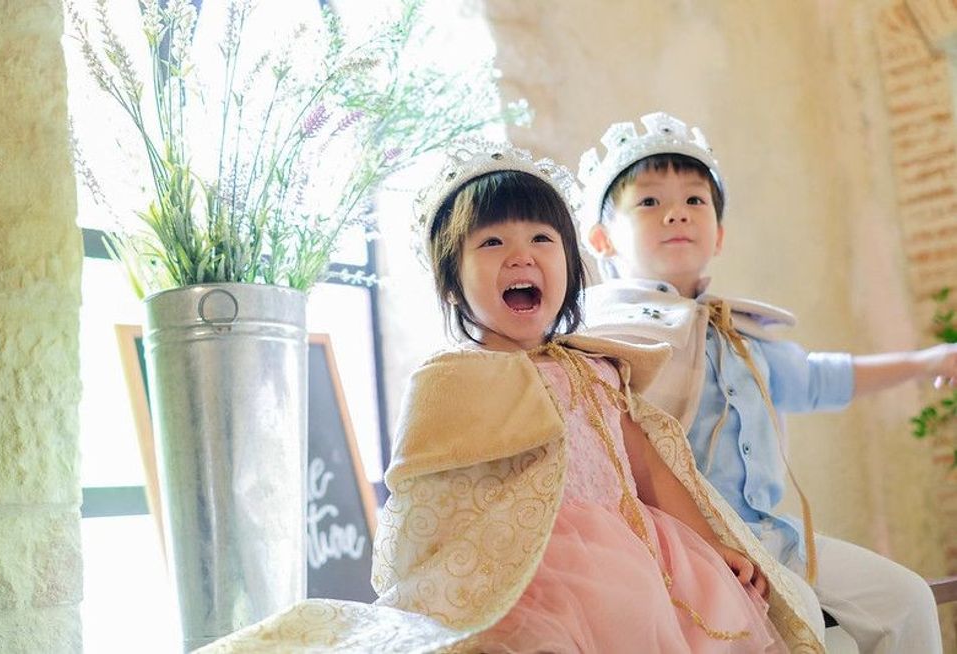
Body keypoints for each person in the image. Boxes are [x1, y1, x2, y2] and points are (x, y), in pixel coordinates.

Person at [199, 141, 821, 653]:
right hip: (530, 573)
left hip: (646, 555)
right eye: (491, 244)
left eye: (542, 241)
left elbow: (651, 468)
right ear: (452, 286)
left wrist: (713, 547)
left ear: (572, 269)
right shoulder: (455, 379)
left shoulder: (595, 367)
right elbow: (430, 500)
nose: (520, 255)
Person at [578, 111, 952, 654]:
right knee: (815, 635)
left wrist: (928, 361)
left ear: (720, 235)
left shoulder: (738, 333)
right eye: (649, 202)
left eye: (695, 201)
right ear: (601, 239)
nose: (676, 215)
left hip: (780, 541)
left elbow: (819, 379)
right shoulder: (606, 340)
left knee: (906, 599)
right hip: (689, 552)